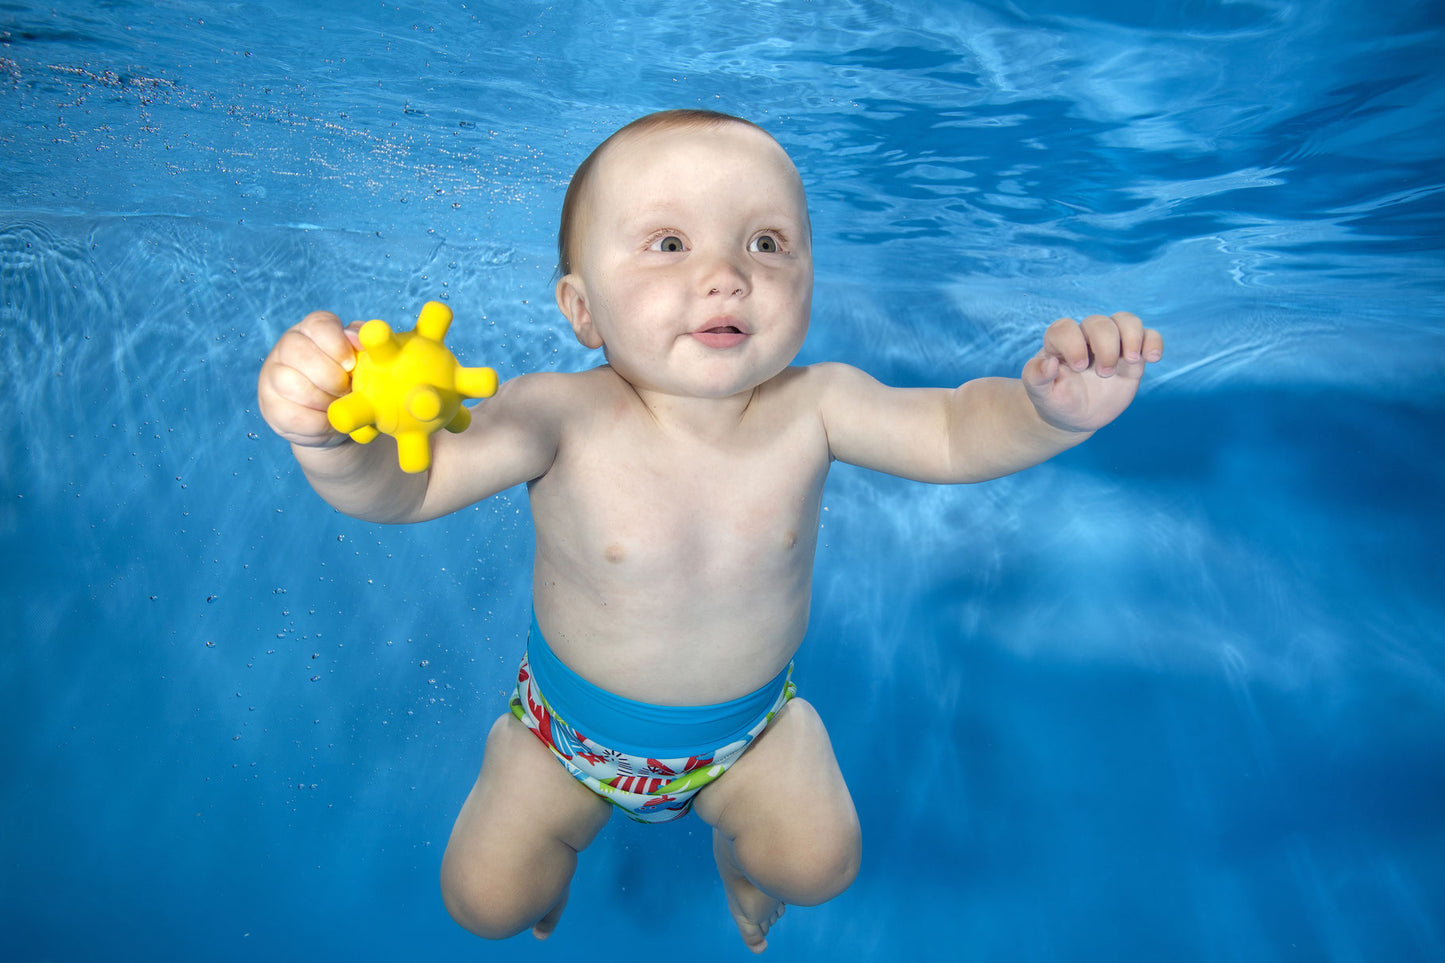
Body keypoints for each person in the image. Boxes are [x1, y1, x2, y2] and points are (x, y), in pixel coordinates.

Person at [256, 109, 1163, 953]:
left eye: (766, 243)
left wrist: (1050, 415)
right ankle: (522, 777)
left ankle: (741, 849)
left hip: (748, 734)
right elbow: (404, 493)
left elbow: (955, 431)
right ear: (580, 309)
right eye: (668, 243)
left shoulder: (818, 404)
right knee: (484, 905)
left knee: (819, 866)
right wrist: (330, 444)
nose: (727, 274)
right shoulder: (554, 417)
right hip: (561, 736)